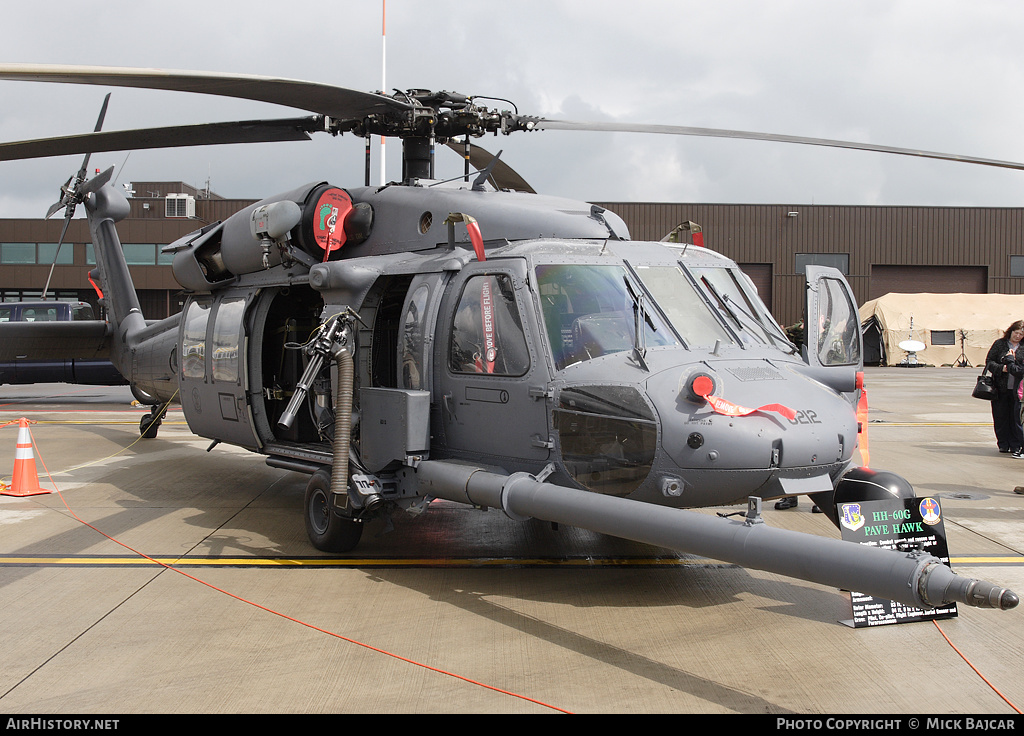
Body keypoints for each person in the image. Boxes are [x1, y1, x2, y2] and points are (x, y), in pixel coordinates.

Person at [985, 320, 1024, 457]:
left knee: (1016, 419)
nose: (1018, 336)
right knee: (1000, 416)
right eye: (1016, 333)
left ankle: (1015, 444)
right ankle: (1003, 443)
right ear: (1011, 331)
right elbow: (989, 362)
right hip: (1000, 387)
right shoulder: (1000, 344)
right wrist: (1002, 368)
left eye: (1021, 334)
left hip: (1018, 390)